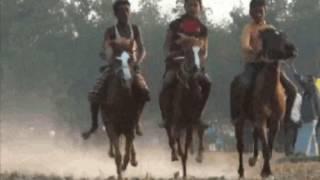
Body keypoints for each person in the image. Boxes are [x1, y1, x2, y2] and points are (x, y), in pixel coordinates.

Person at [88, 0, 150, 136]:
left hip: (131, 67)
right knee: (94, 93)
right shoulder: (110, 31)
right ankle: (94, 125)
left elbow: (141, 49)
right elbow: (105, 48)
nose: (125, 14)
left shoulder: (135, 29)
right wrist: (109, 57)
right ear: (116, 14)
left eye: (127, 11)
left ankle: (137, 121)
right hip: (114, 67)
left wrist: (137, 62)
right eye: (122, 11)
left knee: (144, 92)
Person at [239, 0, 297, 123]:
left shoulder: (271, 29)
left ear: (265, 11)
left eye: (261, 11)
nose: (258, 14)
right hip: (254, 65)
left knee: (292, 90)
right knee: (242, 85)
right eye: (255, 11)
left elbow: (279, 46)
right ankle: (241, 115)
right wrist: (256, 52)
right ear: (250, 12)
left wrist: (289, 50)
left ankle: (287, 118)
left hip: (270, 65)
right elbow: (245, 45)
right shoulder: (248, 28)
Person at [159, 0, 211, 128]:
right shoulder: (175, 25)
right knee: (167, 81)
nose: (192, 8)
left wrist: (200, 59)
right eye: (189, 5)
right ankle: (166, 116)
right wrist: (168, 56)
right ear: (185, 6)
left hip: (194, 64)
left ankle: (198, 115)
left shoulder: (203, 28)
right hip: (176, 63)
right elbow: (166, 45)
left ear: (200, 7)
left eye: (195, 5)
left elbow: (204, 51)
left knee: (207, 83)